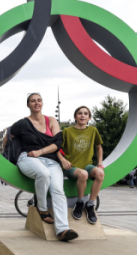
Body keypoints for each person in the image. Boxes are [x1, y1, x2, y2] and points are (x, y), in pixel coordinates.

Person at [10, 93, 78, 242]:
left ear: (42, 103)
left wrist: (40, 151)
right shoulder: (22, 123)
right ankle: (42, 209)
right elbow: (8, 136)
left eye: (39, 100)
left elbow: (58, 143)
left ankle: (63, 230)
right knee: (44, 174)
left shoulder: (51, 120)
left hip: (51, 161)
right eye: (33, 101)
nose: (36, 103)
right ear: (28, 105)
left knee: (58, 191)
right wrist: (10, 153)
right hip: (28, 158)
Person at [57, 106, 104, 224]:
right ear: (75, 117)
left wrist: (99, 163)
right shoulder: (67, 132)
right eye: (79, 113)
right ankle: (79, 202)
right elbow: (56, 148)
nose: (82, 115)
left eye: (85, 113)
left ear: (89, 117)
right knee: (82, 174)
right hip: (71, 167)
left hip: (87, 165)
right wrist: (63, 160)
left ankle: (90, 204)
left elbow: (99, 147)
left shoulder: (93, 130)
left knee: (100, 173)